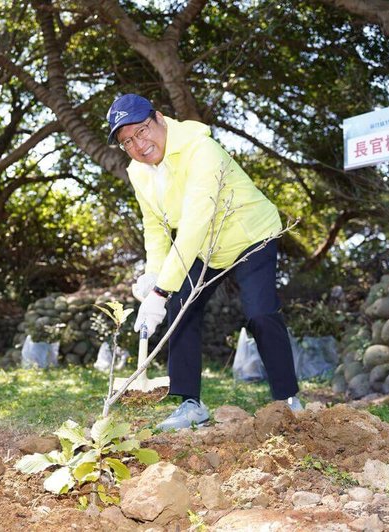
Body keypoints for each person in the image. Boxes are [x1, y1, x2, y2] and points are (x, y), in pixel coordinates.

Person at [106, 94, 301, 430]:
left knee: (260, 312)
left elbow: (195, 223)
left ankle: (288, 399)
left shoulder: (202, 150)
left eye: (141, 131)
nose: (138, 145)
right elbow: (155, 226)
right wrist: (154, 274)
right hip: (204, 247)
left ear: (159, 119)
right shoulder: (138, 172)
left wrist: (160, 291)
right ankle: (190, 404)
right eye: (127, 142)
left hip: (250, 234)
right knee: (181, 308)